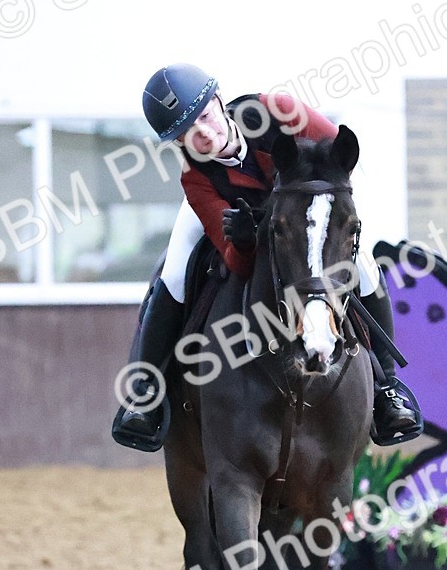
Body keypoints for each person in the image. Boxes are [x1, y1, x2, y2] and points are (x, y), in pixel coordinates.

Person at [112, 62, 421, 452]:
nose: (205, 134)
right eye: (189, 133)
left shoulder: (277, 110)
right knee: (173, 273)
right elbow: (237, 265)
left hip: (313, 207)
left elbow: (338, 160)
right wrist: (241, 241)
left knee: (363, 266)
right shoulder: (197, 179)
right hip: (249, 219)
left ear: (219, 101)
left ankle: (387, 387)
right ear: (178, 143)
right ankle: (145, 393)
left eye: (206, 116)